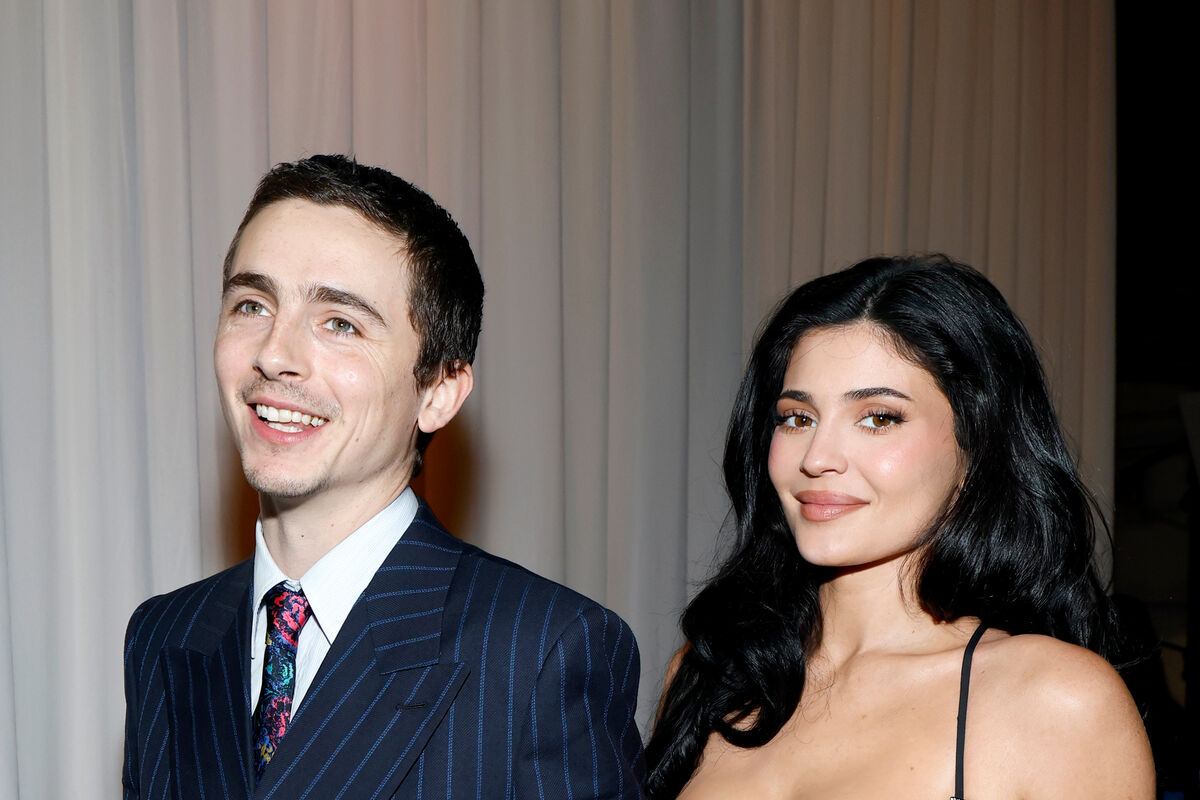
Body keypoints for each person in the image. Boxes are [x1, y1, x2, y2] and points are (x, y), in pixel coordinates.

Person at [123, 155, 644, 800]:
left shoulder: (541, 652)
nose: (273, 354)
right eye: (253, 305)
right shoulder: (164, 636)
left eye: (340, 323)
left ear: (439, 392)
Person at [646, 255, 1154, 799]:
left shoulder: (1056, 701)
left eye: (878, 418)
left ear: (977, 447)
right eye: (798, 417)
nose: (817, 457)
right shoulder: (710, 672)